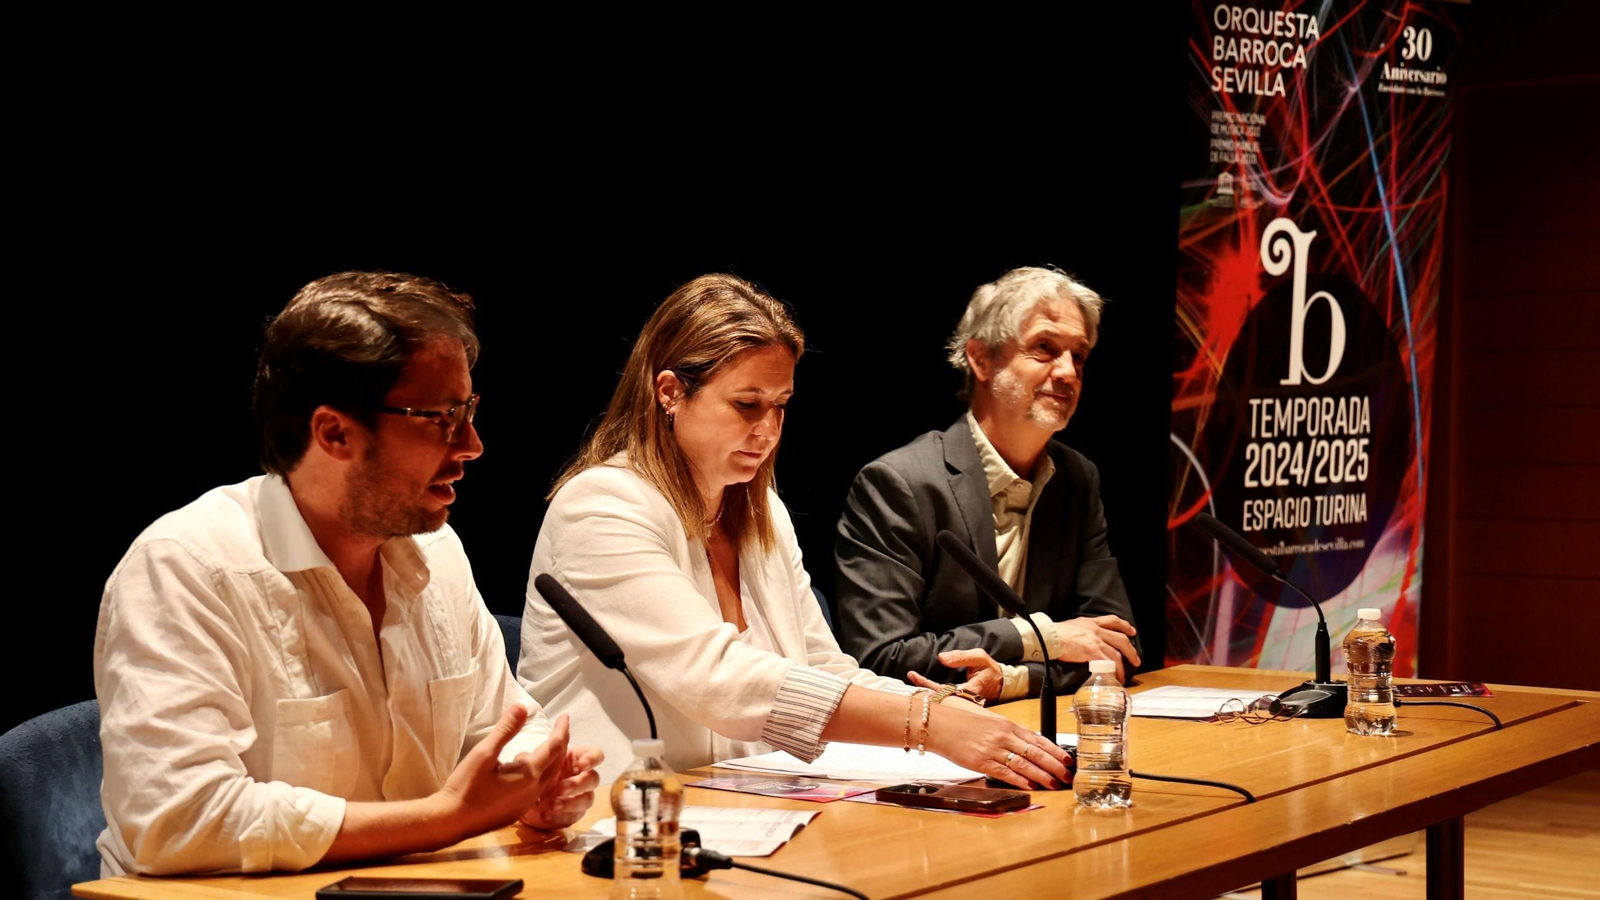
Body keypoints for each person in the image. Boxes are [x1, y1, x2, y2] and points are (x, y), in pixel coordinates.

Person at [93, 272, 601, 876]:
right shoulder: (187, 565)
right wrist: (447, 817)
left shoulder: (436, 553)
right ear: (334, 432)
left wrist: (535, 782)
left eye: (468, 410)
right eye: (439, 417)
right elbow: (176, 819)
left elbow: (500, 729)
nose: (472, 444)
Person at [519, 274, 1069, 788]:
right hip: (617, 817)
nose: (767, 430)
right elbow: (719, 680)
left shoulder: (763, 514)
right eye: (746, 405)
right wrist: (925, 723)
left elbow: (823, 668)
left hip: (748, 805)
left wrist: (943, 708)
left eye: (780, 406)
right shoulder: (601, 506)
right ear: (669, 391)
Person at [835, 266, 1142, 704]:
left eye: (1079, 355)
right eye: (1045, 348)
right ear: (980, 359)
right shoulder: (899, 484)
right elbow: (881, 658)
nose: (1069, 372)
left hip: (1031, 727)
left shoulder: (1077, 479)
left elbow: (1118, 648)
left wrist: (1012, 679)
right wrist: (1045, 637)